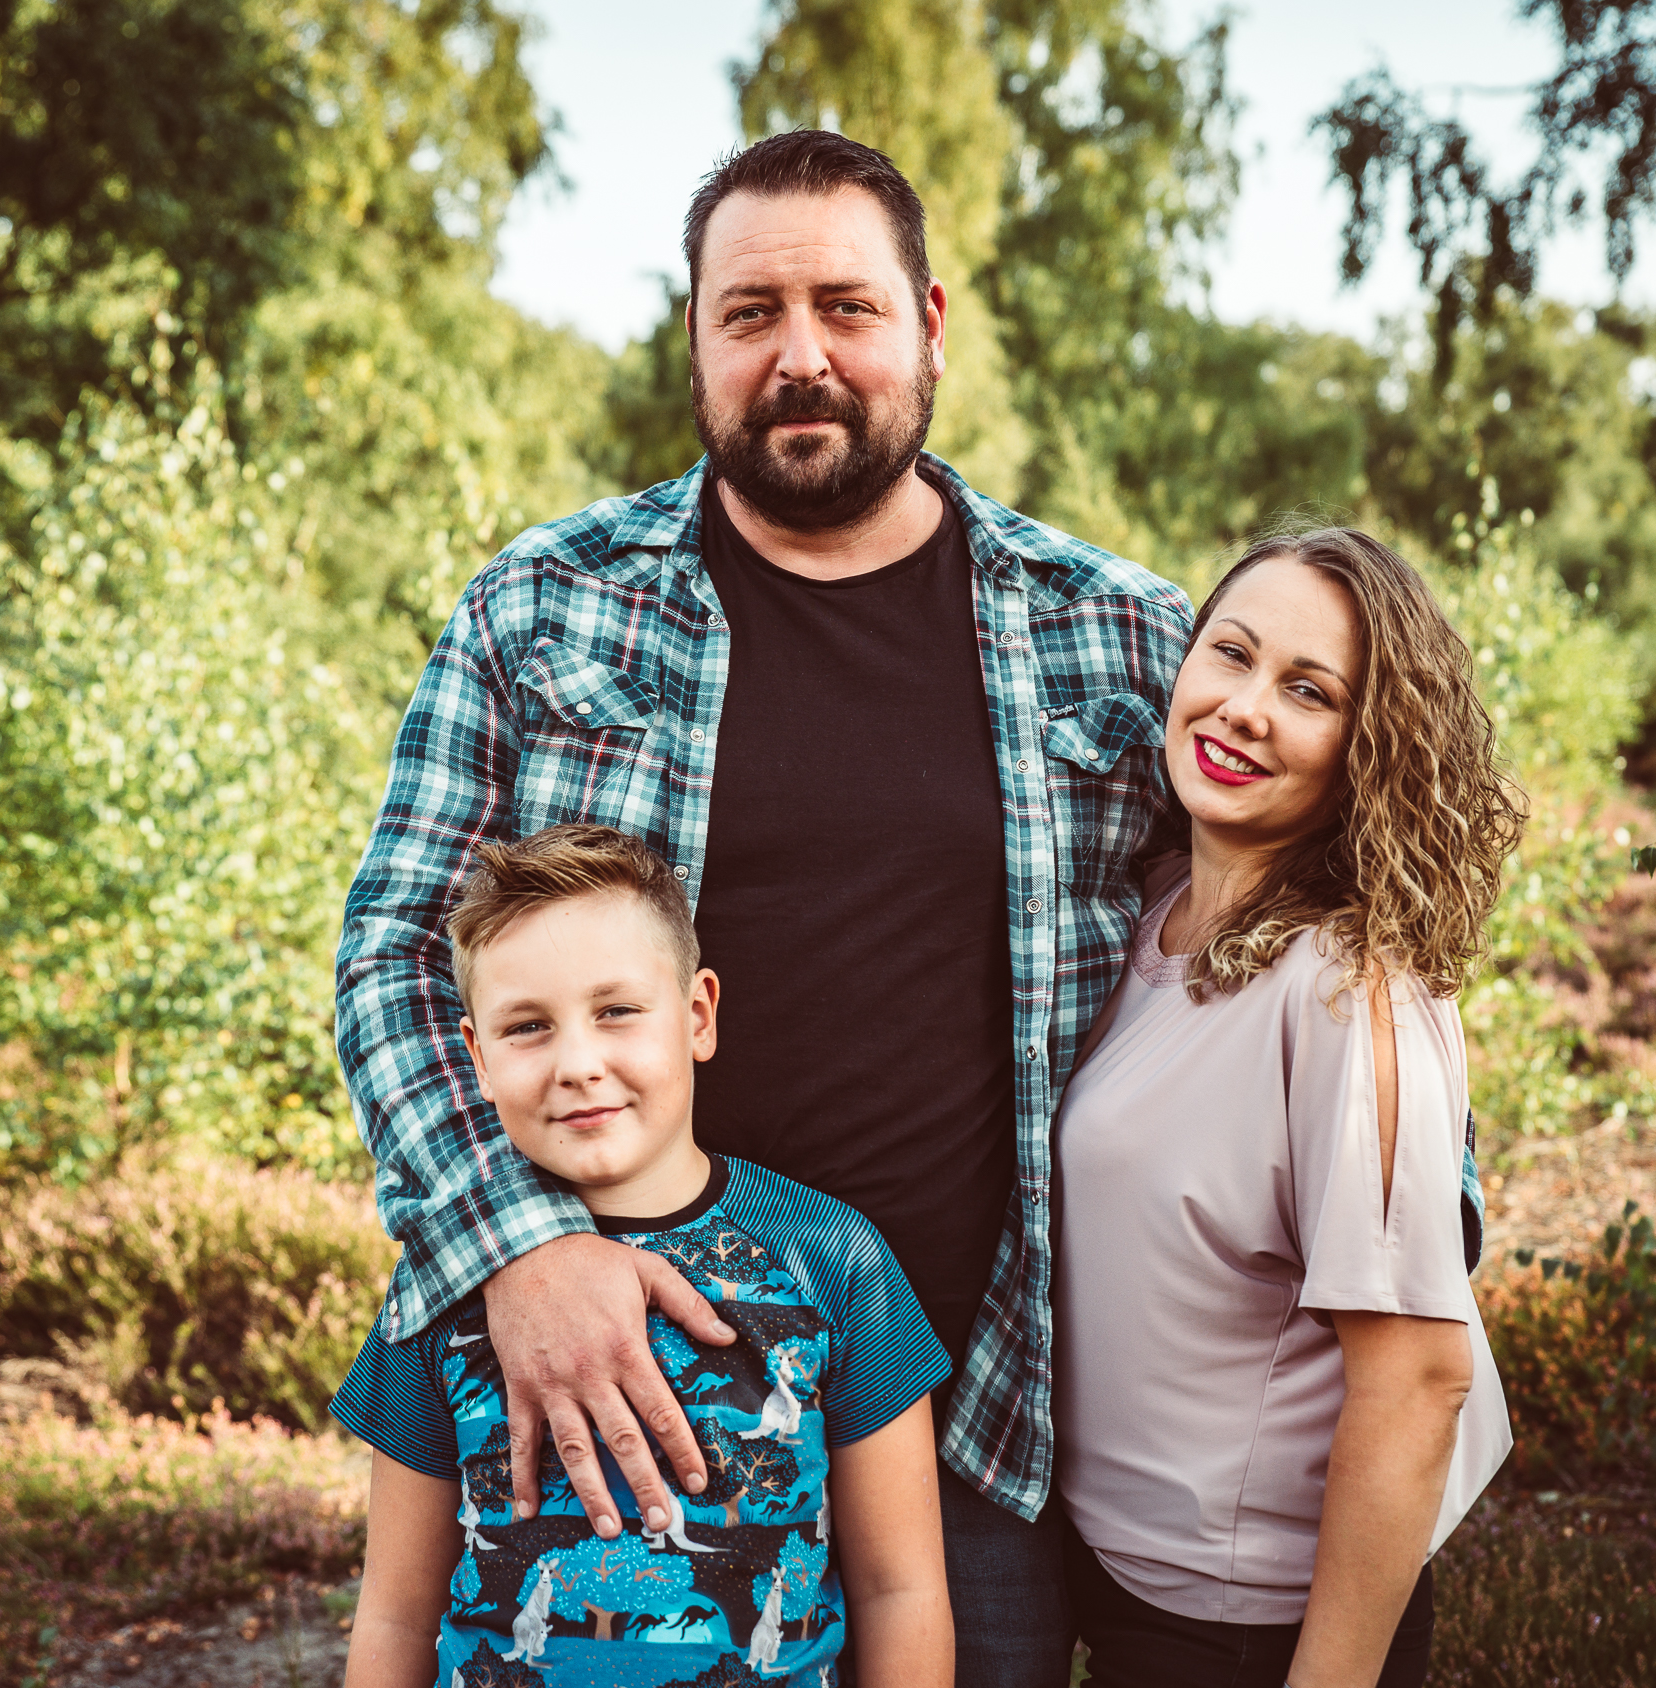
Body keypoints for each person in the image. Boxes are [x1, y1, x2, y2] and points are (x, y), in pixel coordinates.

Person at [334, 129, 1196, 1685]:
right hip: (608, 1387)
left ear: (929, 324)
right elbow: (395, 946)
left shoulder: (1116, 633)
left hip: (979, 1420)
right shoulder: (544, 606)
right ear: (696, 337)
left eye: (845, 307)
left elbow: (1278, 939)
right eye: (750, 313)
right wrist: (517, 1250)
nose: (800, 354)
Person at [1052, 527, 1523, 1688]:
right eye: (1232, 652)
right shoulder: (1153, 910)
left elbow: (1418, 1376)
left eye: (1309, 691)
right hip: (1121, 1580)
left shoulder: (1346, 991)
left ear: (1371, 750)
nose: (1245, 707)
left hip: (1242, 1628)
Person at [336, 824, 954, 1688]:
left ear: (697, 1015)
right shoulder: (444, 1281)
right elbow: (394, 1613)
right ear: (474, 1058)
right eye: (527, 1027)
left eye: (616, 1011)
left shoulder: (833, 1257)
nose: (578, 1064)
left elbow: (901, 1590)